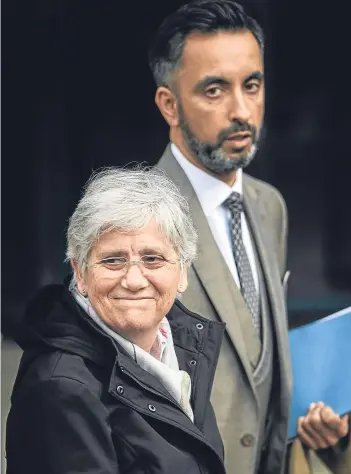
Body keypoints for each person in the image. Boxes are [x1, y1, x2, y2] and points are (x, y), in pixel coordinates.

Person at [149, 1, 350, 473]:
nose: (242, 111)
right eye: (214, 90)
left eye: (252, 85)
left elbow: (256, 363)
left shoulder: (268, 205)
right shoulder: (135, 222)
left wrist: (309, 419)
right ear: (169, 105)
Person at [5, 167, 227, 474]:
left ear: (183, 272)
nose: (134, 280)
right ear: (80, 273)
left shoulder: (181, 348)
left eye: (153, 258)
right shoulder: (61, 388)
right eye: (113, 260)